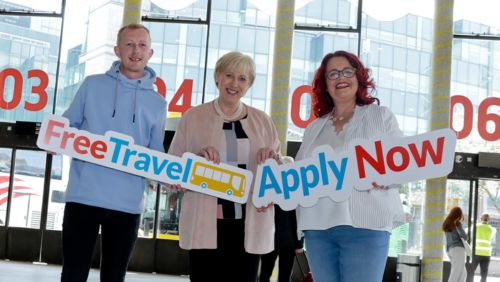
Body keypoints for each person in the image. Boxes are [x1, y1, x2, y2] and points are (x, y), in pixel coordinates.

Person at [60, 23, 166, 281]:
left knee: (114, 277)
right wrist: (54, 142)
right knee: (73, 274)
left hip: (128, 204)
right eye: (129, 44)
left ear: (150, 53)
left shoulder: (158, 103)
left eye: (142, 45)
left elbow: (156, 151)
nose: (135, 51)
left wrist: (172, 176)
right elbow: (66, 126)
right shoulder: (91, 85)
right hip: (83, 196)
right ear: (117, 50)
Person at [168, 51, 280, 282]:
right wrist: (196, 161)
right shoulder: (192, 117)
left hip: (248, 224)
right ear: (217, 76)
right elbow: (173, 169)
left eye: (242, 78)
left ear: (249, 84)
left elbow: (278, 177)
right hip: (205, 221)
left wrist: (273, 159)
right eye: (229, 75)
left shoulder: (263, 121)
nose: (234, 83)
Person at [294, 50, 406, 282]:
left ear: (359, 77)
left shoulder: (380, 117)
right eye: (332, 74)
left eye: (347, 71)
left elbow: (402, 166)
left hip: (366, 225)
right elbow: (298, 177)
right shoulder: (315, 128)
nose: (340, 77)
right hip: (317, 229)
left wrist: (384, 177)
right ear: (324, 84)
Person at [259, 206, 303, 282]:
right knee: (283, 276)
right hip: (287, 240)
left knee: (265, 274)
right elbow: (297, 218)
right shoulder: (292, 197)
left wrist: (299, 243)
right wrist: (299, 243)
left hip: (272, 240)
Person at [469, 213, 496, 282]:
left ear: (481, 218)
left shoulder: (475, 226)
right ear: (489, 220)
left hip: (476, 253)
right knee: (484, 273)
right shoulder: (492, 229)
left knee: (471, 271)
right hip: (486, 254)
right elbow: (491, 239)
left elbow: (471, 237)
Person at [443, 206, 468, 282]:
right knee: (456, 273)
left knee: (463, 273)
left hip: (450, 250)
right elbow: (465, 237)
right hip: (458, 250)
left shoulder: (446, 223)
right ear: (459, 214)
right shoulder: (457, 223)